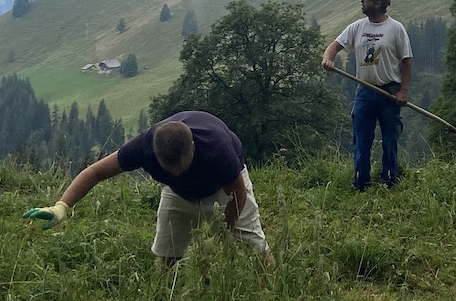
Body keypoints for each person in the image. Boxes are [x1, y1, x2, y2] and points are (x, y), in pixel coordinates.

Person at [23, 110, 274, 265]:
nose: (176, 173)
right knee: (167, 256)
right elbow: (95, 172)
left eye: (181, 168)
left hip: (223, 191)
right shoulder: (143, 147)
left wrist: (222, 235)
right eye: (169, 170)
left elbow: (238, 194)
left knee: (254, 248)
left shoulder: (217, 149)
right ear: (155, 153)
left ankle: (269, 298)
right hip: (178, 195)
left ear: (194, 148)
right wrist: (61, 207)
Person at [322, 0, 413, 191]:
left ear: (378, 4)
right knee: (361, 140)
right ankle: (360, 182)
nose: (362, 3)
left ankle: (389, 180)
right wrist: (328, 59)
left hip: (389, 92)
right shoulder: (356, 27)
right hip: (364, 91)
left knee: (390, 138)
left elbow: (407, 61)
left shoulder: (396, 28)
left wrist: (403, 91)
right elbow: (334, 46)